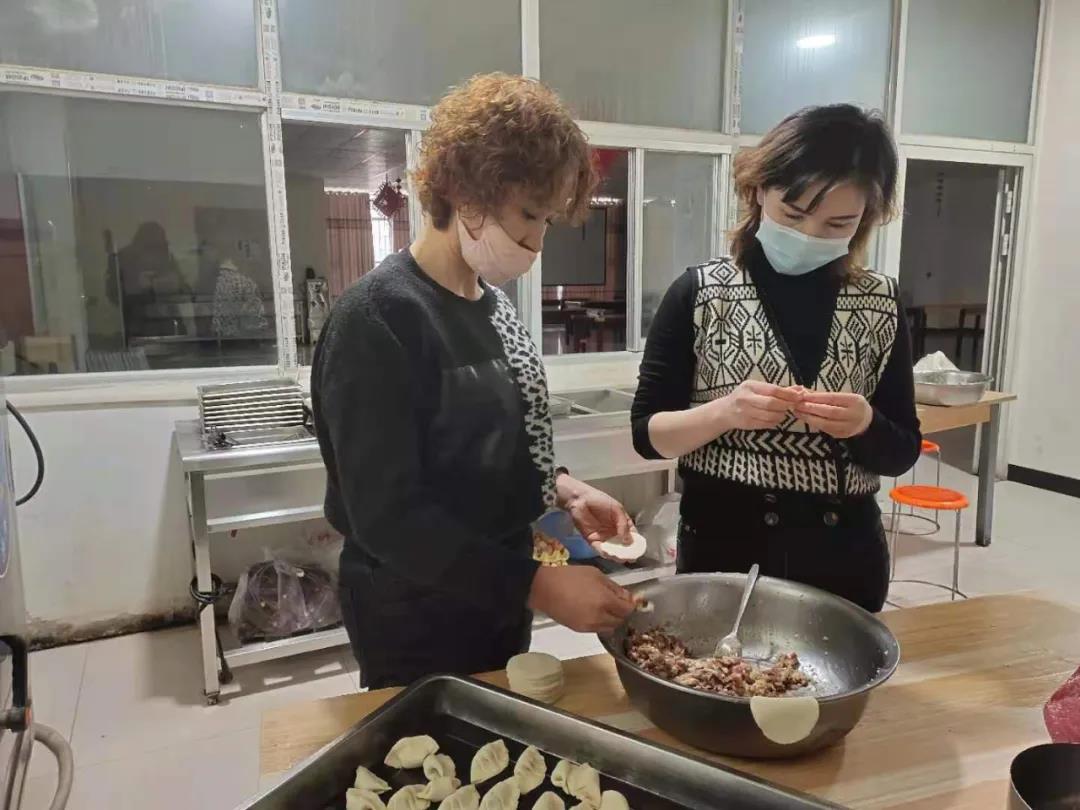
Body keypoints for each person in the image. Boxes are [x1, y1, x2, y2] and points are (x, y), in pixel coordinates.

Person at [311, 74, 637, 688]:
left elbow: (487, 441)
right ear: (465, 193)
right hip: (414, 609)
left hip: (498, 591)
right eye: (529, 215)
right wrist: (540, 585)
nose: (536, 242)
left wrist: (562, 489)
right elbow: (386, 516)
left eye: (548, 220)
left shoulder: (492, 305)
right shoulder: (378, 320)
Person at [631, 104, 921, 613]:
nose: (809, 235)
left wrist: (865, 424)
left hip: (842, 559)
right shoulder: (702, 294)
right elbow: (648, 437)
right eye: (793, 214)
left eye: (838, 223)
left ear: (866, 220)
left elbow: (902, 451)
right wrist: (726, 412)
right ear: (759, 190)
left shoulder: (880, 301)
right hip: (724, 552)